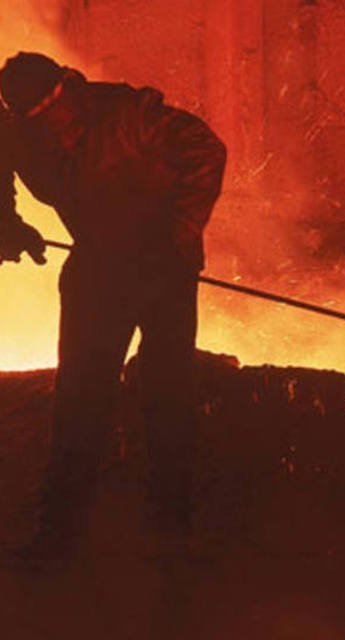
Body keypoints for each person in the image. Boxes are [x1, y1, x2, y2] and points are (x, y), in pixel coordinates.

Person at [0, 52, 227, 567]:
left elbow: (206, 149)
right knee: (79, 401)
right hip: (98, 267)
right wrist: (10, 228)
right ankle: (59, 538)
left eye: (49, 115)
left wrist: (179, 231)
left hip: (162, 268)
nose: (49, 133)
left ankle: (171, 533)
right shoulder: (18, 131)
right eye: (32, 121)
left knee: (167, 395)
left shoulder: (128, 114)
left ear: (66, 89)